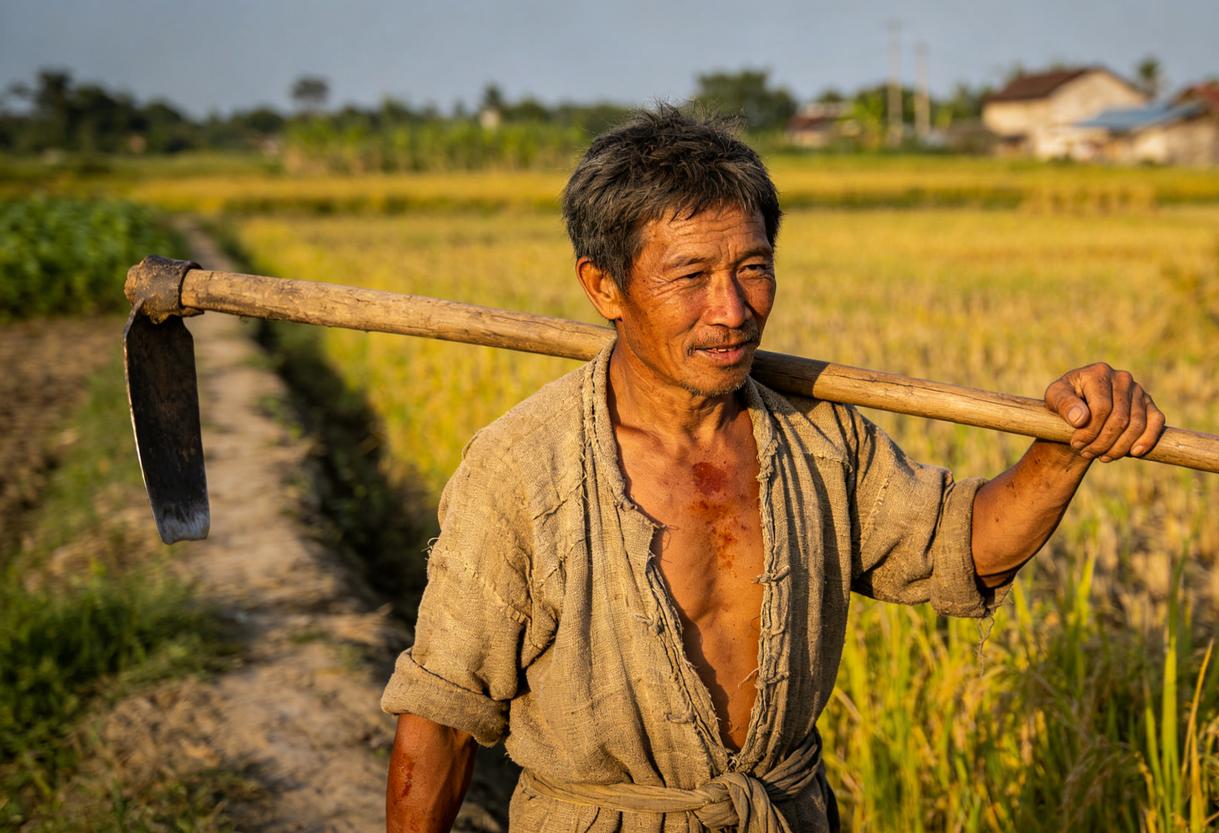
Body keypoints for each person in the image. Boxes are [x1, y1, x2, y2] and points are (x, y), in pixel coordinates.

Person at [381, 107, 1165, 833]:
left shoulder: (818, 438)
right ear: (602, 286)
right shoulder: (523, 468)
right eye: (690, 277)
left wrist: (1066, 447)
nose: (732, 309)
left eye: (752, 267)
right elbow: (444, 718)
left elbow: (963, 548)